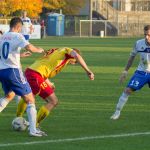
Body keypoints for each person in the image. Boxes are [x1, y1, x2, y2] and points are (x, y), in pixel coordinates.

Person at [16, 47, 94, 133]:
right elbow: (77, 56)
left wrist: (48, 83)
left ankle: (20, 118)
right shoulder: (67, 51)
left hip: (32, 72)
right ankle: (34, 125)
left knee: (35, 97)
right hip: (35, 75)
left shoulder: (56, 51)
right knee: (48, 100)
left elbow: (44, 65)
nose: (73, 63)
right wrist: (88, 71)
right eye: (74, 61)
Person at [0, 17, 45, 137]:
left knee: (9, 95)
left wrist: (20, 55)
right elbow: (30, 47)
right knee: (30, 99)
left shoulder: (3, 37)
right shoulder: (17, 36)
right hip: (13, 71)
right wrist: (39, 50)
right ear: (18, 27)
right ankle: (33, 130)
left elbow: (5, 53)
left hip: (2, 71)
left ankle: (33, 129)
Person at [111, 25, 150, 120]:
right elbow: (131, 58)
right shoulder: (138, 43)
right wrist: (125, 71)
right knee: (127, 90)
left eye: (149, 35)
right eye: (145, 34)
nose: (146, 37)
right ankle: (117, 112)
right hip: (141, 72)